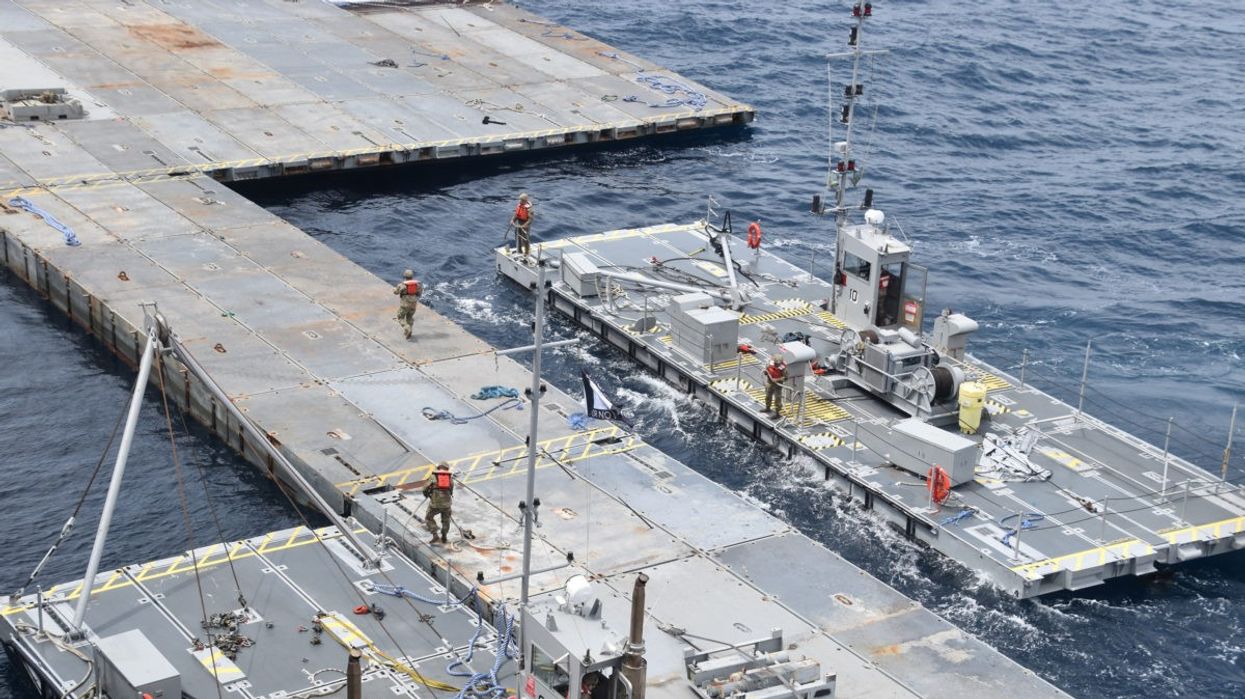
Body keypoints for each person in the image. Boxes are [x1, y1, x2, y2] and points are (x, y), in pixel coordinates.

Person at [422, 463, 453, 544]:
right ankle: (444, 536)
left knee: (428, 518)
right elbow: (451, 490)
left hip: (435, 504)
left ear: (438, 468)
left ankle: (435, 534)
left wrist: (428, 495)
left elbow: (425, 488)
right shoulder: (449, 478)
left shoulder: (433, 477)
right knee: (446, 520)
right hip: (447, 504)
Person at [393, 269, 422, 339]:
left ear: (404, 276)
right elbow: (419, 293)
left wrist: (394, 289)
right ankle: (409, 331)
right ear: (412, 276)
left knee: (400, 317)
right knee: (409, 318)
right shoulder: (418, 285)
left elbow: (396, 292)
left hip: (405, 305)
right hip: (413, 305)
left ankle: (407, 328)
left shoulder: (402, 285)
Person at [511, 192, 534, 262]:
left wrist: (525, 225)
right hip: (519, 223)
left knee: (525, 238)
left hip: (525, 224)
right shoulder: (519, 206)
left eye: (521, 200)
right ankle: (519, 249)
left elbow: (530, 219)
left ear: (525, 200)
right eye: (519, 200)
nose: (520, 201)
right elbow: (516, 214)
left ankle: (526, 252)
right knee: (518, 236)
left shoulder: (529, 209)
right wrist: (513, 220)